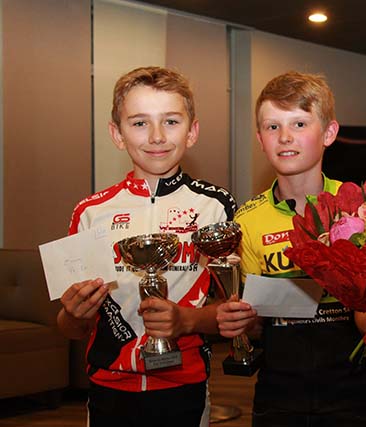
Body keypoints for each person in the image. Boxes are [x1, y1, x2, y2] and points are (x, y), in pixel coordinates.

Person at [215, 71, 366, 427]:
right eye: (272, 127)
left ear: (329, 133)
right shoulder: (246, 220)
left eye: (299, 124)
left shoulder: (362, 209)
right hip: (277, 398)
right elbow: (255, 323)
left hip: (351, 397)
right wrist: (239, 321)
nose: (285, 137)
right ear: (260, 139)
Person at [56, 66, 236, 427]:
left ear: (192, 131)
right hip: (108, 387)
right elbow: (71, 329)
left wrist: (186, 320)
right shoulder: (90, 212)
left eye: (171, 121)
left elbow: (234, 313)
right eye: (139, 123)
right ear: (117, 134)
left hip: (184, 385)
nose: (156, 136)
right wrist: (74, 314)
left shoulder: (216, 207)